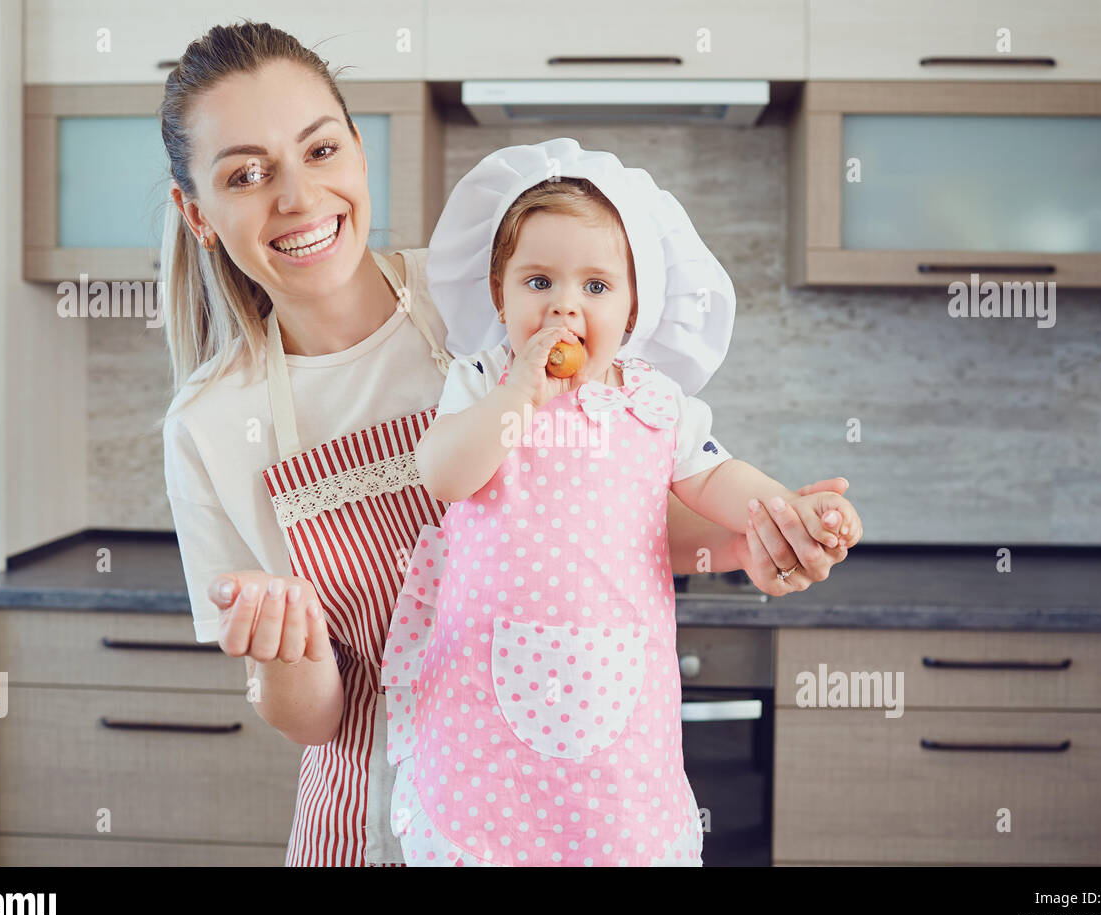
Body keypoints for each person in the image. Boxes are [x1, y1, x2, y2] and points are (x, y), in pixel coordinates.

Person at [158, 20, 858, 867]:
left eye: (320, 150)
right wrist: (285, 649)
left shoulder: (493, 296)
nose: (299, 198)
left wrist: (758, 539)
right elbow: (309, 717)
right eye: (246, 174)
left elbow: (614, 519)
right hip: (369, 814)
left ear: (359, 151)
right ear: (195, 212)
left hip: (557, 796)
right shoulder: (208, 425)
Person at [379, 140, 861, 866]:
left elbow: (717, 477)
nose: (565, 306)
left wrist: (790, 509)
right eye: (539, 280)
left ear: (636, 306)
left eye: (597, 287)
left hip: (617, 723)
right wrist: (522, 394)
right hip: (479, 716)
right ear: (498, 293)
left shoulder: (655, 404)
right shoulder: (484, 381)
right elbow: (445, 474)